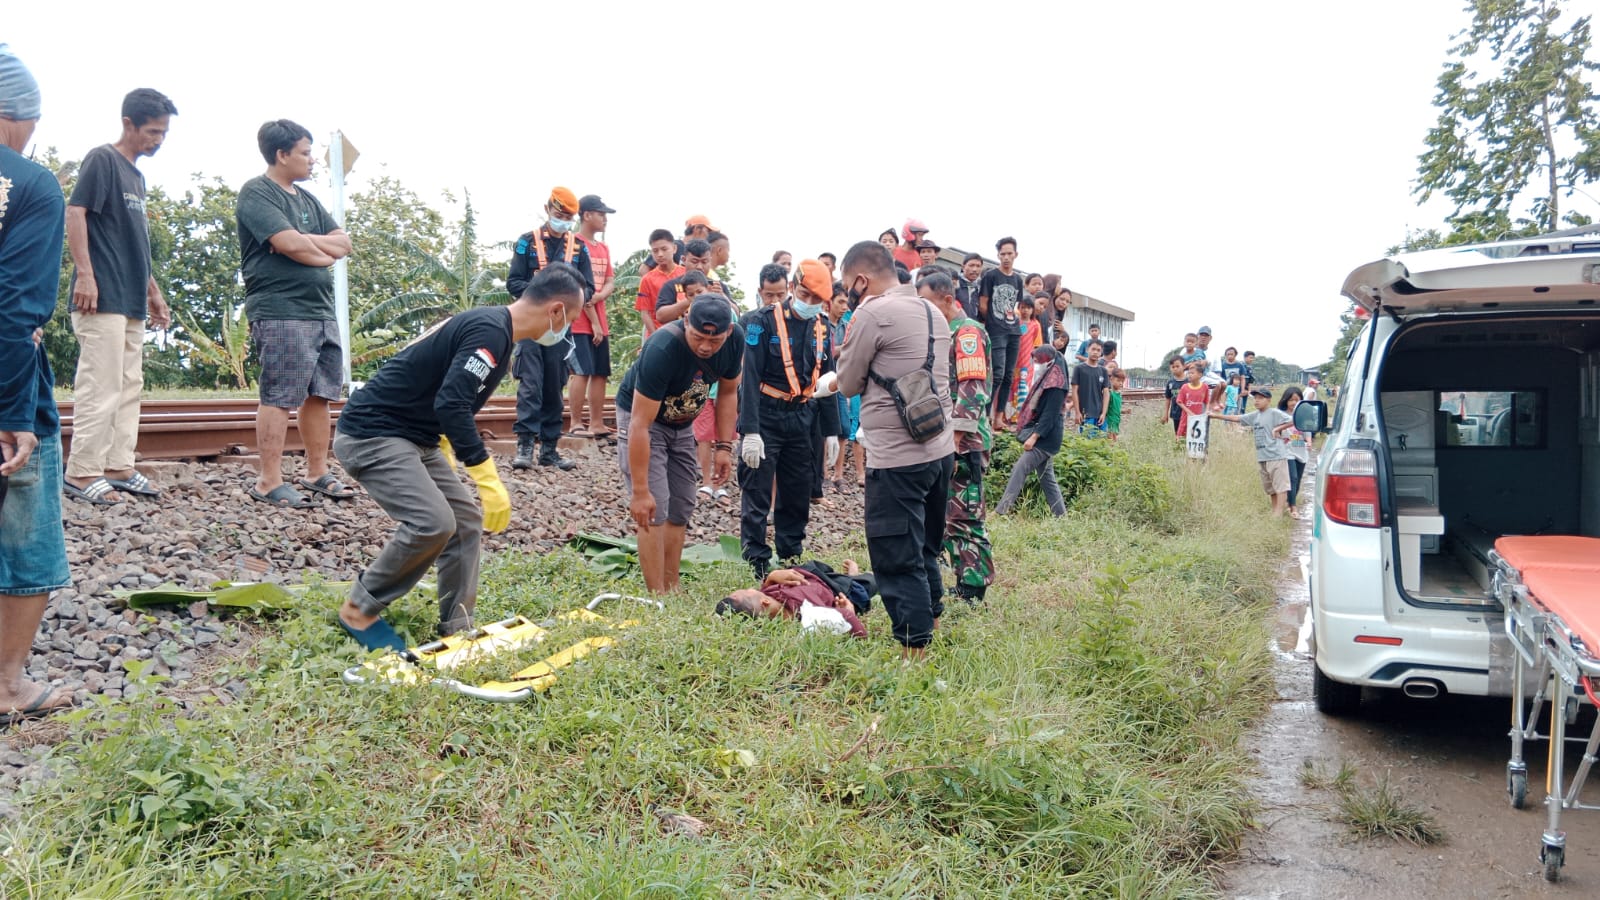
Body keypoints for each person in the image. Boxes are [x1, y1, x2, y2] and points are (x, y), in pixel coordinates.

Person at [333, 266, 587, 648]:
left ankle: (458, 627)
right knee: (432, 522)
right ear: (555, 311)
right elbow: (452, 403)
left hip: (415, 437)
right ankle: (359, 607)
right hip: (373, 434)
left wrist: (448, 447)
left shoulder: (497, 332)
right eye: (571, 319)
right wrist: (487, 478)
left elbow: (445, 391)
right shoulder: (490, 332)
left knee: (465, 520)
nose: (567, 330)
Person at [0, 45, 76, 722]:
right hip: (5, 381)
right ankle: (8, 684)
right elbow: (15, 307)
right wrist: (12, 409)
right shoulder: (27, 182)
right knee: (26, 532)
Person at [835, 241, 954, 659]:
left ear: (861, 280)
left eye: (848, 285)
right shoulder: (931, 310)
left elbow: (847, 383)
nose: (847, 292)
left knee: (895, 555)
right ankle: (933, 620)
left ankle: (914, 654)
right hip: (940, 450)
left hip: (897, 459)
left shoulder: (872, 312)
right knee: (925, 546)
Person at [61, 88, 177, 506]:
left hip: (130, 296)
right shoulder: (103, 159)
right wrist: (86, 276)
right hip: (102, 295)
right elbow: (75, 213)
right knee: (101, 384)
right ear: (128, 123)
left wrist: (154, 291)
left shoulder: (137, 175)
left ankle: (118, 466)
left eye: (163, 133)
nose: (158, 140)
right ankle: (81, 471)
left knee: (130, 385)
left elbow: (136, 241)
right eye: (152, 131)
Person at [236, 119, 354, 508]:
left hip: (320, 310)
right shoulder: (257, 193)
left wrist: (306, 247)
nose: (311, 160)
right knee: (280, 394)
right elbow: (286, 242)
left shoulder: (306, 199)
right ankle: (269, 481)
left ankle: (316, 472)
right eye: (304, 152)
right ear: (281, 154)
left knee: (320, 393)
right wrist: (309, 249)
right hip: (280, 309)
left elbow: (343, 243)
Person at [617, 299, 743, 594]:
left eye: (715, 340)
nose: (705, 347)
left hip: (682, 423)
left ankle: (671, 587)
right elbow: (639, 424)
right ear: (686, 321)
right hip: (645, 421)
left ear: (729, 332)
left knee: (682, 504)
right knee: (653, 506)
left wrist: (724, 446)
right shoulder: (663, 347)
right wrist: (639, 491)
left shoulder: (735, 340)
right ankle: (656, 594)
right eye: (698, 337)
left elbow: (727, 394)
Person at [737, 259, 836, 579]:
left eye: (816, 299)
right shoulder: (761, 321)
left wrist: (832, 431)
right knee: (758, 489)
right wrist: (750, 430)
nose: (808, 304)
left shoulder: (823, 326)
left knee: (797, 488)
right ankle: (755, 557)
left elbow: (829, 377)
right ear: (792, 288)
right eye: (804, 294)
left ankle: (791, 551)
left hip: (802, 416)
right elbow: (749, 377)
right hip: (766, 413)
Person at [506, 187, 594, 472]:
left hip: (561, 327)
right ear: (548, 209)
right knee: (530, 383)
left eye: (568, 217)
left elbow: (588, 287)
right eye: (559, 214)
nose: (563, 221)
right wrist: (540, 295)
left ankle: (550, 449)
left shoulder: (579, 248)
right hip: (532, 324)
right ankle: (525, 446)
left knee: (555, 384)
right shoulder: (527, 242)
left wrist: (568, 301)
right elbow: (514, 282)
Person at [918, 271, 993, 605]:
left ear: (947, 300)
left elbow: (972, 389)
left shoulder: (967, 332)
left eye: (928, 302)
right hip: (949, 439)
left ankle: (974, 588)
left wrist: (957, 437)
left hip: (966, 442)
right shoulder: (945, 333)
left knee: (965, 515)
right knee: (951, 515)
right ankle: (965, 580)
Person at [995, 346, 1069, 517]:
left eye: (1037, 361)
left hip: (1046, 437)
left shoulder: (1056, 385)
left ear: (1047, 360)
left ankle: (1002, 510)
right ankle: (1061, 515)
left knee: (1020, 468)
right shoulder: (1049, 378)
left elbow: (1050, 415)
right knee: (1047, 478)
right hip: (1046, 434)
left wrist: (1033, 437)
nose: (1035, 365)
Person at [715, 559, 872, 638]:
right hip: (836, 590)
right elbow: (849, 619)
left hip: (812, 574)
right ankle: (854, 576)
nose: (753, 588)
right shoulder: (810, 616)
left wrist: (771, 577)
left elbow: (765, 590)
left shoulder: (769, 599)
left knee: (812, 567)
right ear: (765, 602)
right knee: (869, 584)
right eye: (748, 590)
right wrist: (848, 611)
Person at [569, 194, 617, 442]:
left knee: (600, 371)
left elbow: (610, 280)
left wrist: (598, 298)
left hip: (599, 317)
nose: (605, 219)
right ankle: (576, 421)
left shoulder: (603, 248)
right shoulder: (573, 244)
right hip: (579, 320)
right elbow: (578, 286)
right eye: (601, 214)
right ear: (586, 215)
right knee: (582, 370)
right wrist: (593, 318)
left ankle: (596, 422)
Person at [1214, 389, 1294, 516]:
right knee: (1270, 488)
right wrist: (1215, 415)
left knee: (1281, 486)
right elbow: (1237, 418)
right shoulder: (1255, 415)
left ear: (1268, 400)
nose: (1257, 400)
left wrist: (1278, 428)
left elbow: (1293, 420)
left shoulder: (1274, 413)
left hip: (1276, 455)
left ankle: (1278, 514)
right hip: (1262, 456)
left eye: (1260, 398)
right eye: (1255, 398)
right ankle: (1275, 511)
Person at [979, 236, 1025, 431]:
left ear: (1016, 255)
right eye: (1002, 254)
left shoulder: (1017, 279)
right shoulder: (990, 276)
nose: (1006, 257)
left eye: (1009, 253)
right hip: (996, 330)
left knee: (1008, 375)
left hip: (1013, 330)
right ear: (998, 255)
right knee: (996, 374)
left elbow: (1016, 305)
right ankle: (985, 416)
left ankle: (999, 418)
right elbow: (983, 304)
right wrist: (992, 322)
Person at [826, 286, 852, 492]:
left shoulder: (847, 326)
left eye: (846, 302)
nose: (844, 307)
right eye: (840, 302)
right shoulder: (820, 324)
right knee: (822, 429)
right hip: (823, 384)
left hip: (842, 382)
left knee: (843, 427)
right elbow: (824, 351)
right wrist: (844, 348)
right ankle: (822, 474)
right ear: (829, 302)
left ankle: (838, 474)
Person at [654, 239, 716, 323]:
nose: (699, 267)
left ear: (710, 261)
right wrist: (690, 299)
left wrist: (722, 297)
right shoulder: (671, 285)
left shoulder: (716, 286)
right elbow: (661, 316)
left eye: (704, 262)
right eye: (694, 261)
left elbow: (736, 313)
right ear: (684, 260)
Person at [635, 228, 680, 337]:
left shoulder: (686, 274)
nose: (660, 254)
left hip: (683, 333)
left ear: (674, 248)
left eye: (664, 249)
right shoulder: (647, 279)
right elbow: (645, 313)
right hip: (658, 333)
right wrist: (655, 336)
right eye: (655, 251)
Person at [1276, 386, 1310, 516]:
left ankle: (1289, 502)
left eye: (1297, 400)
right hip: (1287, 449)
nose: (1294, 403)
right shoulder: (1280, 414)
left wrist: (1309, 441)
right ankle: (1293, 507)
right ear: (1286, 400)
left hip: (1300, 448)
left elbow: (1307, 430)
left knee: (1299, 478)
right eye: (1291, 400)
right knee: (1292, 477)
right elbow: (1275, 431)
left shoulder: (1303, 414)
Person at [1069, 339, 1111, 434]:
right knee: (1087, 443)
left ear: (1101, 353)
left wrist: (1104, 413)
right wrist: (1077, 412)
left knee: (1101, 443)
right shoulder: (1079, 369)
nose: (1095, 352)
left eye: (1098, 350)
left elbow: (1106, 393)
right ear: (1087, 349)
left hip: (1100, 414)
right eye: (1093, 349)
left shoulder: (1103, 371)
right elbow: (1074, 391)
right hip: (1085, 414)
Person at [1010, 298, 1043, 416]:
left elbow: (1037, 345)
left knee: (1024, 385)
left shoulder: (1035, 325)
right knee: (1012, 385)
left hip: (1027, 362)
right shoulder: (1014, 322)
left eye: (1028, 308)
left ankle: (1021, 415)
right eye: (1022, 307)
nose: (1025, 310)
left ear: (1032, 310)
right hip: (1013, 359)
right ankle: (1009, 415)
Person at [1175, 362, 1211, 440]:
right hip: (1186, 417)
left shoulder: (1205, 387)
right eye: (1188, 373)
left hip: (1198, 418)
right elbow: (1179, 401)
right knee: (1181, 436)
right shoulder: (1185, 387)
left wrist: (1207, 411)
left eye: (1192, 373)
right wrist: (1189, 412)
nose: (1189, 375)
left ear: (1200, 375)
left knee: (1195, 436)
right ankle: (1178, 450)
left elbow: (1207, 401)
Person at [1161, 356, 1187, 437]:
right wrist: (1165, 414)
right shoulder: (1170, 382)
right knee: (1178, 434)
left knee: (1188, 433)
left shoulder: (1189, 381)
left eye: (1177, 366)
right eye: (1173, 367)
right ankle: (1179, 448)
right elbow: (1168, 398)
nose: (1175, 368)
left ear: (1184, 366)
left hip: (1187, 413)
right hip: (1175, 413)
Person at [955, 252, 984, 321]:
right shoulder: (954, 283)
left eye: (978, 266)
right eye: (971, 265)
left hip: (973, 328)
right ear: (963, 267)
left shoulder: (981, 288)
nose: (974, 269)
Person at [1105, 370, 1126, 442]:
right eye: (1118, 381)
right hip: (1110, 420)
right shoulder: (1110, 393)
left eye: (1122, 381)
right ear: (1111, 379)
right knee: (1110, 438)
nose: (1121, 383)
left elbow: (1116, 408)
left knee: (1114, 437)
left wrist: (1124, 411)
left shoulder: (1119, 394)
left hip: (1116, 419)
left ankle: (1114, 451)